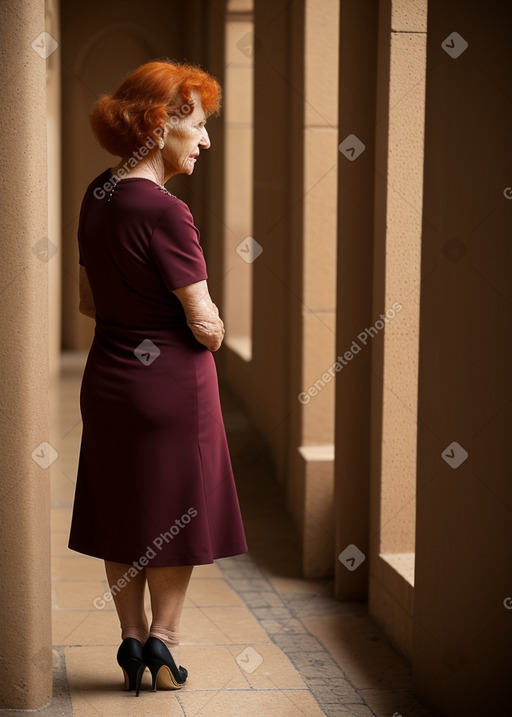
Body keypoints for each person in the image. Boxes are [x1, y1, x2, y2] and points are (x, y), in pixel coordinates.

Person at [68, 60, 248, 696]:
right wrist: (218, 324)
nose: (204, 140)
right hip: (172, 385)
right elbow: (204, 326)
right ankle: (165, 645)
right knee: (174, 507)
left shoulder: (98, 194)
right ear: (156, 126)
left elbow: (88, 303)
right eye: (196, 126)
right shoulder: (168, 211)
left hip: (110, 377)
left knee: (123, 504)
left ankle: (129, 634)